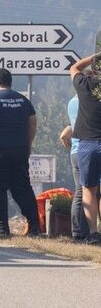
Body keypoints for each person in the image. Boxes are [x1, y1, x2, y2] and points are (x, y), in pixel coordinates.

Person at [0, 68, 40, 236]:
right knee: (23, 188)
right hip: (19, 151)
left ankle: (1, 226)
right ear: (10, 82)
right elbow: (32, 123)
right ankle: (34, 227)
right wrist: (27, 145)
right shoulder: (23, 100)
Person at [69, 51, 101, 245]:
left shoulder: (85, 85)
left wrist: (95, 56)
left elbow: (74, 68)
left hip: (87, 144)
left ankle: (93, 233)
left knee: (89, 190)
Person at [59, 94, 91, 240]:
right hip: (90, 149)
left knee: (80, 192)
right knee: (92, 192)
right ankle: (88, 231)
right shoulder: (91, 99)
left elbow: (66, 133)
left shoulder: (72, 101)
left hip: (76, 151)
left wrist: (71, 147)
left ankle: (78, 231)